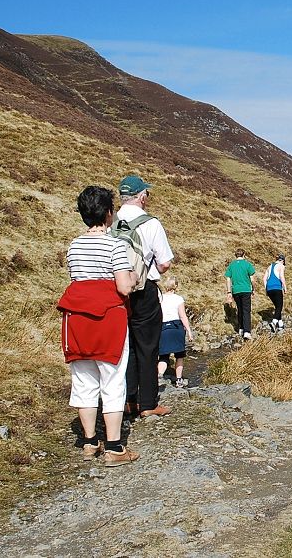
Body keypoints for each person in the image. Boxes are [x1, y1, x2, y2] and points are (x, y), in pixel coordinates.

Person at [56, 185, 139, 466]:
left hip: (76, 317)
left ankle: (90, 441)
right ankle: (115, 447)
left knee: (83, 379)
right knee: (112, 380)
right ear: (108, 213)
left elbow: (79, 278)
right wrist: (134, 277)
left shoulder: (74, 245)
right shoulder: (115, 245)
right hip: (108, 318)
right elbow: (123, 287)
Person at [116, 175, 174, 418]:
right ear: (141, 196)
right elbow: (164, 263)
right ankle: (148, 403)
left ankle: (127, 400)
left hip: (117, 291)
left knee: (124, 345)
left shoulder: (111, 221)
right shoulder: (151, 223)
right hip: (144, 289)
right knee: (148, 345)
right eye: (146, 194)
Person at [158, 276, 194, 388]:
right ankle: (179, 380)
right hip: (176, 327)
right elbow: (183, 316)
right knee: (179, 355)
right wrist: (189, 331)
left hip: (163, 328)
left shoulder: (160, 298)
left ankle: (159, 376)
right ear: (176, 286)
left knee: (163, 356)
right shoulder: (179, 299)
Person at [225, 249, 256, 339]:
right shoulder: (247, 264)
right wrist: (253, 289)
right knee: (246, 310)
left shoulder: (231, 265)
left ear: (235, 255)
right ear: (244, 255)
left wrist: (229, 292)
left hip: (236, 290)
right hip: (246, 290)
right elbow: (252, 279)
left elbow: (228, 279)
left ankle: (241, 328)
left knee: (240, 309)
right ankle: (247, 331)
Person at [262, 254, 287, 332]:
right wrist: (285, 287)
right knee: (280, 306)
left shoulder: (270, 266)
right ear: (282, 261)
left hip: (269, 288)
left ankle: (280, 324)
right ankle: (274, 322)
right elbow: (281, 277)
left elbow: (264, 279)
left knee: (277, 306)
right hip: (276, 287)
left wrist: (266, 289)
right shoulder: (281, 266)